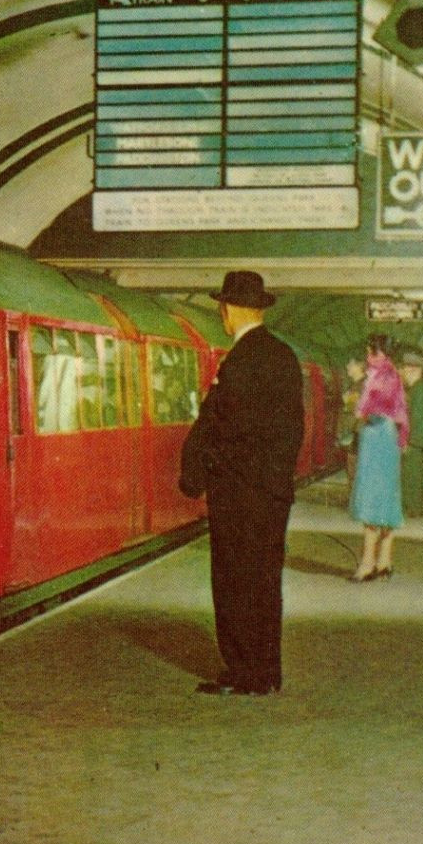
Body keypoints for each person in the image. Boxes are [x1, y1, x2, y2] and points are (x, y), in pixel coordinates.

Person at [179, 271, 305, 697]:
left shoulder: (241, 360)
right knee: (265, 583)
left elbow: (227, 427)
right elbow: (289, 430)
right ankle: (265, 671)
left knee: (234, 581)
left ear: (227, 310)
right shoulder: (283, 356)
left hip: (238, 493)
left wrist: (204, 470)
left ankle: (245, 672)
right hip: (271, 493)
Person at [349, 335, 408, 581]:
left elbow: (366, 409)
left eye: (370, 352)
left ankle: (367, 564)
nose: (368, 357)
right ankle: (384, 560)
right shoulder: (394, 376)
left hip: (376, 438)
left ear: (381, 353)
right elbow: (400, 413)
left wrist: (357, 409)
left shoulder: (379, 376)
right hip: (389, 438)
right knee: (386, 498)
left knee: (371, 498)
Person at [398, 350, 423, 519]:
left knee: (411, 474)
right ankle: (418, 508)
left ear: (413, 369)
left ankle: (412, 508)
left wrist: (407, 440)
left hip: (415, 440)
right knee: (415, 474)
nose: (403, 372)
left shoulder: (419, 388)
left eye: (405, 369)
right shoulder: (418, 387)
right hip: (418, 439)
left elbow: (416, 417)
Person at [338, 358, 366, 486]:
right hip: (355, 432)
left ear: (360, 366)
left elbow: (355, 410)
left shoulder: (362, 385)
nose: (347, 366)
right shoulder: (355, 385)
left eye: (351, 364)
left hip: (358, 433)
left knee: (355, 471)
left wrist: (347, 402)